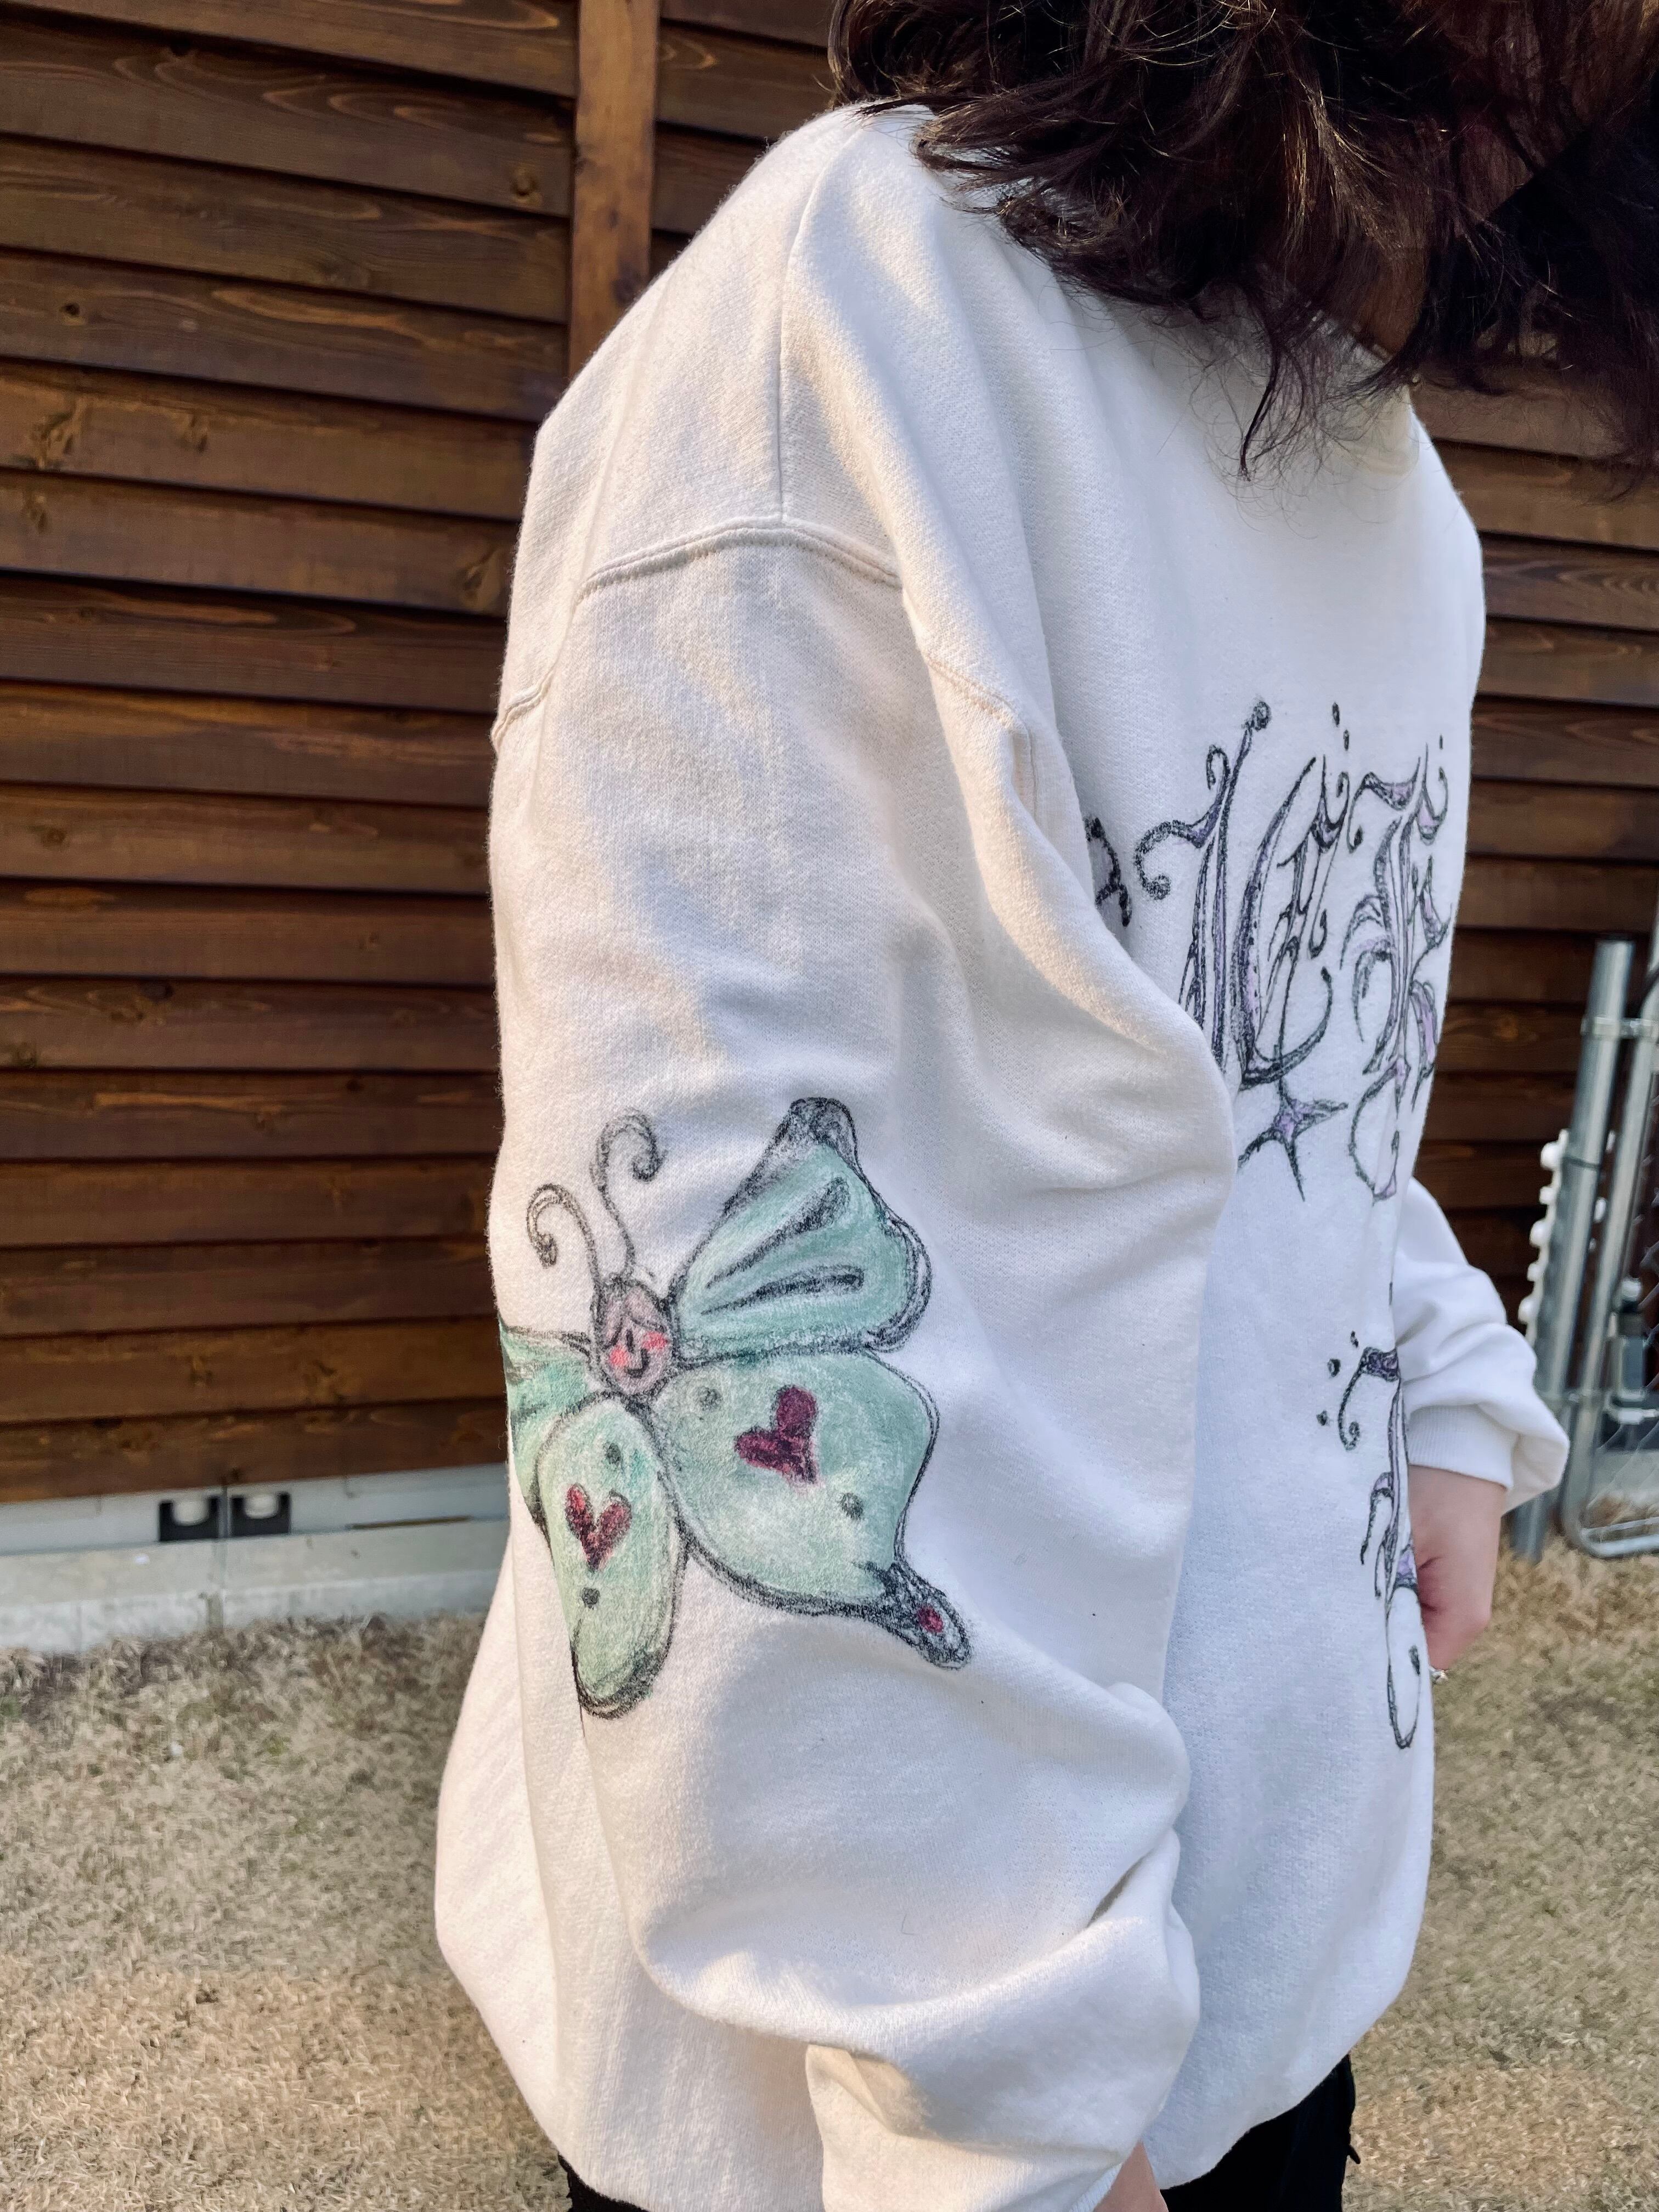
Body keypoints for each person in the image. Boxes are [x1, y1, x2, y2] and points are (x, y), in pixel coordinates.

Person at [436, 4, 1659, 2206]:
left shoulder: (1379, 467)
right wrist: (1000, 2119)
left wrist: (1448, 1380)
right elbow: (723, 1325)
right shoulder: (856, 336)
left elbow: (1292, 1079)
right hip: (901, 2108)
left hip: (1249, 1976)